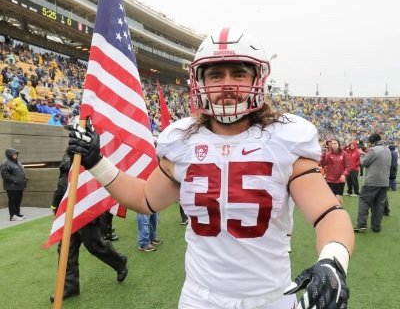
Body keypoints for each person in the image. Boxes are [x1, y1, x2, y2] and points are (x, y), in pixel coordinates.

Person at [68, 28, 354, 309]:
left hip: (270, 298)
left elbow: (327, 213)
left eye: (238, 73)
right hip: (200, 298)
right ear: (200, 81)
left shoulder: (284, 138)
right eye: (216, 75)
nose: (226, 85)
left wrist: (332, 261)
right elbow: (145, 199)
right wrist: (97, 162)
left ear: (258, 78)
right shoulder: (182, 141)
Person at [49, 151, 128, 302]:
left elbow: (99, 181)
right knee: (66, 249)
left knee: (95, 246)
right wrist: (56, 203)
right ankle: (69, 286)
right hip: (68, 210)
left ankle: (119, 262)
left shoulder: (91, 152)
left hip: (86, 208)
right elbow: (62, 181)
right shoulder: (67, 154)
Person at [354, 133, 391, 233]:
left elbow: (363, 162)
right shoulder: (387, 150)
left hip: (372, 181)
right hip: (384, 182)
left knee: (364, 202)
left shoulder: (374, 150)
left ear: (372, 141)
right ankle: (376, 227)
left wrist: (362, 154)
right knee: (379, 205)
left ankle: (361, 224)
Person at [320, 138, 350, 205]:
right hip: (330, 180)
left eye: (335, 143)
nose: (334, 145)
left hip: (340, 180)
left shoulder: (344, 153)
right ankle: (333, 213)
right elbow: (323, 164)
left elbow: (347, 167)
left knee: (338, 198)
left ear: (339, 144)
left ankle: (340, 211)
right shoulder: (328, 154)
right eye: (332, 144)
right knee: (331, 199)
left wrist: (344, 175)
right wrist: (322, 156)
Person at [1, 148, 28, 221]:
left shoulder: (17, 162)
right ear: (10, 154)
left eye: (16, 154)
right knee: (12, 201)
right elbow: (4, 174)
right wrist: (15, 180)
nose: (15, 155)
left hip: (19, 186)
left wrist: (25, 178)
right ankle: (13, 216)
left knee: (18, 200)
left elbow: (20, 171)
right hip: (12, 186)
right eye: (14, 154)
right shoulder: (5, 163)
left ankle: (17, 214)